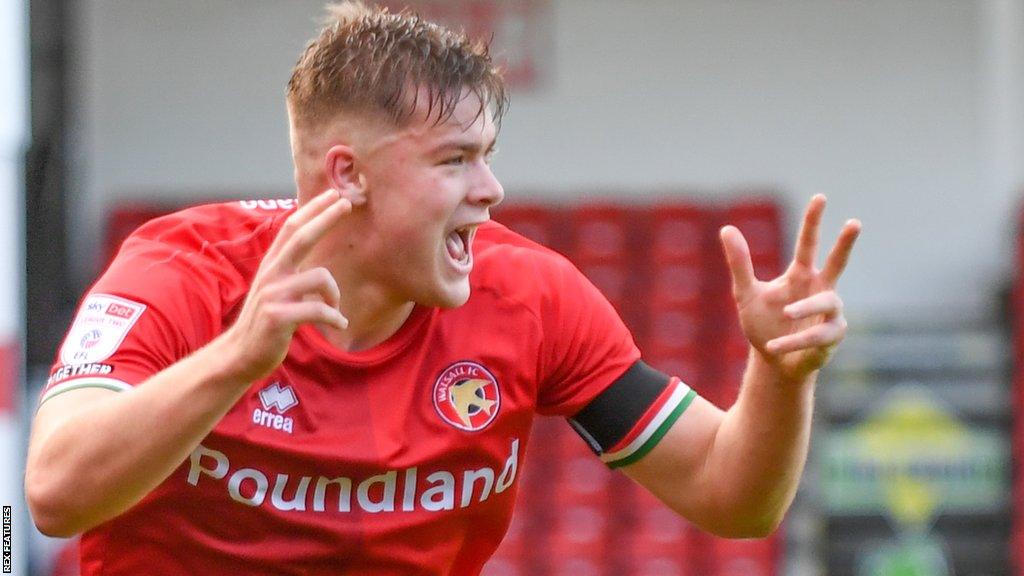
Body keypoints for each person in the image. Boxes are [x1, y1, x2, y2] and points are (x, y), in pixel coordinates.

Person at [25, 2, 861, 574]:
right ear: (346, 176)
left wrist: (781, 376)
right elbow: (55, 496)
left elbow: (731, 496)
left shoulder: (532, 300)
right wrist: (238, 360)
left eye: (488, 155)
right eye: (454, 160)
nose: (491, 190)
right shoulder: (181, 272)